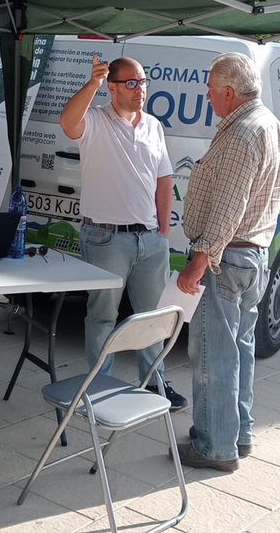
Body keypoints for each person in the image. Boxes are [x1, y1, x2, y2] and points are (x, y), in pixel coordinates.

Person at [176, 51, 280, 472]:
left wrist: (199, 261)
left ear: (228, 91)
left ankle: (214, 446)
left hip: (227, 257)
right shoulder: (270, 125)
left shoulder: (244, 132)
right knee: (239, 350)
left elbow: (228, 207)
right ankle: (237, 435)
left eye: (209, 89)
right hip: (253, 255)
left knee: (214, 355)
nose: (207, 97)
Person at [59, 54, 187, 411]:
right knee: (102, 316)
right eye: (131, 83)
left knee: (150, 318)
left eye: (143, 81)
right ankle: (100, 384)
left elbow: (164, 180)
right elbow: (68, 123)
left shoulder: (153, 126)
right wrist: (92, 84)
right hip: (105, 238)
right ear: (112, 87)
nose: (140, 89)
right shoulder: (96, 120)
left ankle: (155, 383)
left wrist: (162, 231)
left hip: (149, 239)